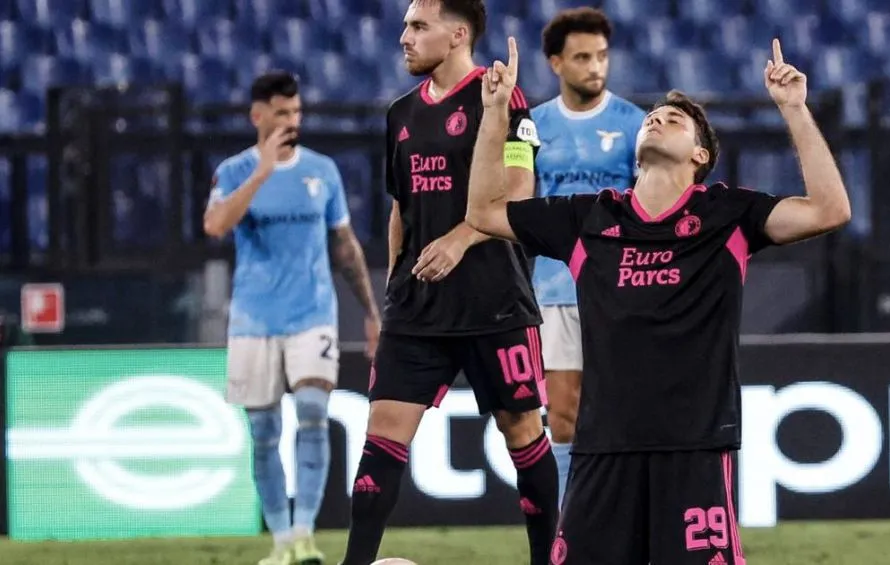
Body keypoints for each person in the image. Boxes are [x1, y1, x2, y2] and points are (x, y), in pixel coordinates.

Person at [467, 38, 851, 564]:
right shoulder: (589, 217)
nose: (657, 119)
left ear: (700, 156)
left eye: (674, 119)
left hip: (693, 448)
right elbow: (485, 213)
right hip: (603, 450)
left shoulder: (728, 215)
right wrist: (494, 116)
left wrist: (794, 109)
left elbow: (829, 210)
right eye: (653, 116)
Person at [339, 1, 558, 564]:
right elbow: (400, 208)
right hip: (418, 307)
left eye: (418, 26)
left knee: (523, 434)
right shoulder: (400, 113)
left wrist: (461, 238)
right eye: (406, 25)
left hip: (495, 301)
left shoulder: (502, 95)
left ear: (458, 34)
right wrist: (395, 283)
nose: (404, 37)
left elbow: (519, 191)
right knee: (382, 434)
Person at [203, 70, 381, 565]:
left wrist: (370, 313)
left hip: (312, 314)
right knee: (262, 431)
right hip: (254, 318)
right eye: (281, 113)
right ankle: (280, 541)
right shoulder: (235, 170)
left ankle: (304, 533)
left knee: (311, 413)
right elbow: (215, 226)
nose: (291, 121)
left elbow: (344, 245)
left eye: (296, 112)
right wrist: (262, 171)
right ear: (257, 116)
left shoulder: (321, 171)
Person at [530, 6, 645, 505]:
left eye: (601, 56)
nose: (595, 67)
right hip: (555, 288)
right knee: (563, 414)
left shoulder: (636, 125)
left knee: (625, 410)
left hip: (620, 287)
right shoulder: (530, 128)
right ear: (556, 63)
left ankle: (622, 522)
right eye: (581, 57)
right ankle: (567, 531)